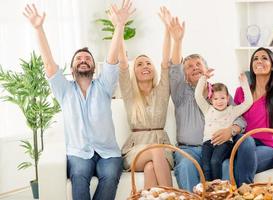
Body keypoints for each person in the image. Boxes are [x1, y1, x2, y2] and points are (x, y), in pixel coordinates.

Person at [23, 1, 135, 200]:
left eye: (87, 58)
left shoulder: (104, 85)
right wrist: (38, 28)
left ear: (93, 67)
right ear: (72, 67)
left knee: (110, 176)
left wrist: (119, 25)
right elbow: (49, 63)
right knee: (78, 175)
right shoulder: (64, 89)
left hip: (108, 153)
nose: (83, 60)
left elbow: (111, 59)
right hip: (78, 153)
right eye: (79, 59)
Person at [168, 17, 246, 191]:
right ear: (184, 75)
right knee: (186, 166)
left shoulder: (220, 93)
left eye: (198, 64)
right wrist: (177, 41)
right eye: (189, 66)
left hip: (217, 147)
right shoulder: (180, 93)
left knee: (226, 166)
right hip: (189, 150)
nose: (194, 67)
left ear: (207, 68)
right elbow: (174, 69)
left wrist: (230, 130)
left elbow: (240, 120)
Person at [222, 20, 273, 186]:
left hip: (267, 149)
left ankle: (242, 194)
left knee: (244, 146)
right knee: (229, 160)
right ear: (251, 65)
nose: (259, 61)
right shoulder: (241, 91)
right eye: (255, 58)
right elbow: (235, 119)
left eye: (264, 58)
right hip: (242, 145)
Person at [116, 7, 173, 188]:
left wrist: (167, 29)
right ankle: (172, 194)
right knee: (154, 152)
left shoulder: (162, 91)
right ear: (135, 71)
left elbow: (166, 61)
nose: (145, 66)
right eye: (139, 64)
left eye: (148, 63)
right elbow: (123, 63)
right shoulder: (129, 93)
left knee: (150, 168)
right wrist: (120, 25)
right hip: (135, 150)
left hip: (162, 148)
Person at [195, 72, 253, 181]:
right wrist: (203, 78)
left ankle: (217, 187)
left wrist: (244, 84)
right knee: (206, 166)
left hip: (225, 143)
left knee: (215, 161)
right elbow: (198, 96)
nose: (219, 101)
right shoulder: (208, 110)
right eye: (215, 99)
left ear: (227, 98)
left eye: (222, 98)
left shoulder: (232, 110)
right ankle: (208, 189)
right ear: (211, 100)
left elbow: (248, 102)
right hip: (208, 143)